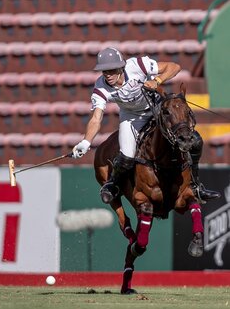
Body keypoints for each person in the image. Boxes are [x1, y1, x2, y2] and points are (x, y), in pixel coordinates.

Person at [71, 47, 220, 204]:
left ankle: (195, 186)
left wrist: (157, 81)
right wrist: (86, 142)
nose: (108, 75)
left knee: (195, 141)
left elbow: (174, 67)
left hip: (157, 109)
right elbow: (96, 118)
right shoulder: (100, 87)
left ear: (121, 67)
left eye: (112, 70)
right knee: (127, 156)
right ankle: (113, 184)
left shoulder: (137, 65)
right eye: (104, 72)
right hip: (131, 117)